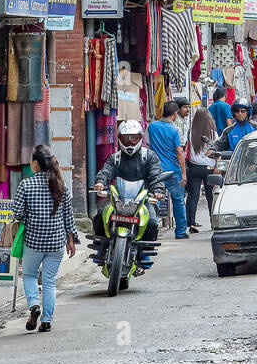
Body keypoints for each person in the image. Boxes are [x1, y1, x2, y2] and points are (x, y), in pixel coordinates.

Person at [11, 146, 78, 334]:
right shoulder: (60, 185)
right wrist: (70, 240)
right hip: (56, 242)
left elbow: (17, 213)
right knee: (49, 282)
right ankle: (46, 320)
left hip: (33, 242)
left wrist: (28, 217)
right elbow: (68, 215)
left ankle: (34, 306)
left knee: (31, 276)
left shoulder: (26, 185)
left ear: (35, 163)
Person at [93, 121, 167, 269]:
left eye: (134, 138)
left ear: (140, 138)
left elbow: (155, 175)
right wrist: (100, 182)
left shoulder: (149, 156)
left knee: (152, 221)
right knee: (101, 214)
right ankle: (100, 249)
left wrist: (158, 191)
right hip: (119, 198)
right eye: (126, 138)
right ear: (119, 138)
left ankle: (145, 252)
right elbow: (106, 171)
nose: (130, 142)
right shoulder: (115, 158)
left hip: (143, 199)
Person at [148, 101, 189, 239]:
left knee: (155, 200)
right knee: (178, 201)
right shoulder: (174, 130)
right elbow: (179, 151)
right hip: (173, 171)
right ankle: (181, 232)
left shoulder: (152, 126)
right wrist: (184, 172)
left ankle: (151, 231)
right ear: (175, 114)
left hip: (156, 171)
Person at [184, 103, 218, 233]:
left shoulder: (191, 133)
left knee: (193, 195)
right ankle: (213, 222)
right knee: (211, 196)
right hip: (209, 167)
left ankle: (191, 223)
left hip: (194, 167)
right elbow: (216, 151)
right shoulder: (213, 134)